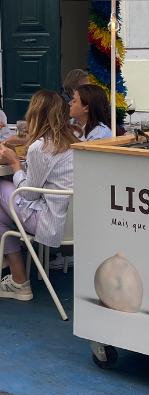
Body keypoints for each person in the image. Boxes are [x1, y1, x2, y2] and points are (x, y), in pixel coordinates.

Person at [0, 90, 74, 301]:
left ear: (36, 113)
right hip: (73, 223)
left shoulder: (40, 147)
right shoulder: (74, 142)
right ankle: (17, 279)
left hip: (49, 222)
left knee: (0, 188)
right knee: (1, 214)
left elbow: (29, 195)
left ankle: (19, 280)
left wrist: (15, 163)